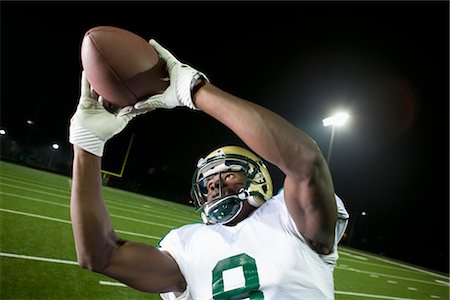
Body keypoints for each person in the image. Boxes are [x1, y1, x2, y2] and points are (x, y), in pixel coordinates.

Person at [69, 39, 349, 299]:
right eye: (207, 181)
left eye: (228, 173)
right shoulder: (187, 244)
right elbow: (100, 256)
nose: (214, 184)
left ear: (258, 178)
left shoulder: (288, 218)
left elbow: (306, 162)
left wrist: (194, 90)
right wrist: (87, 144)